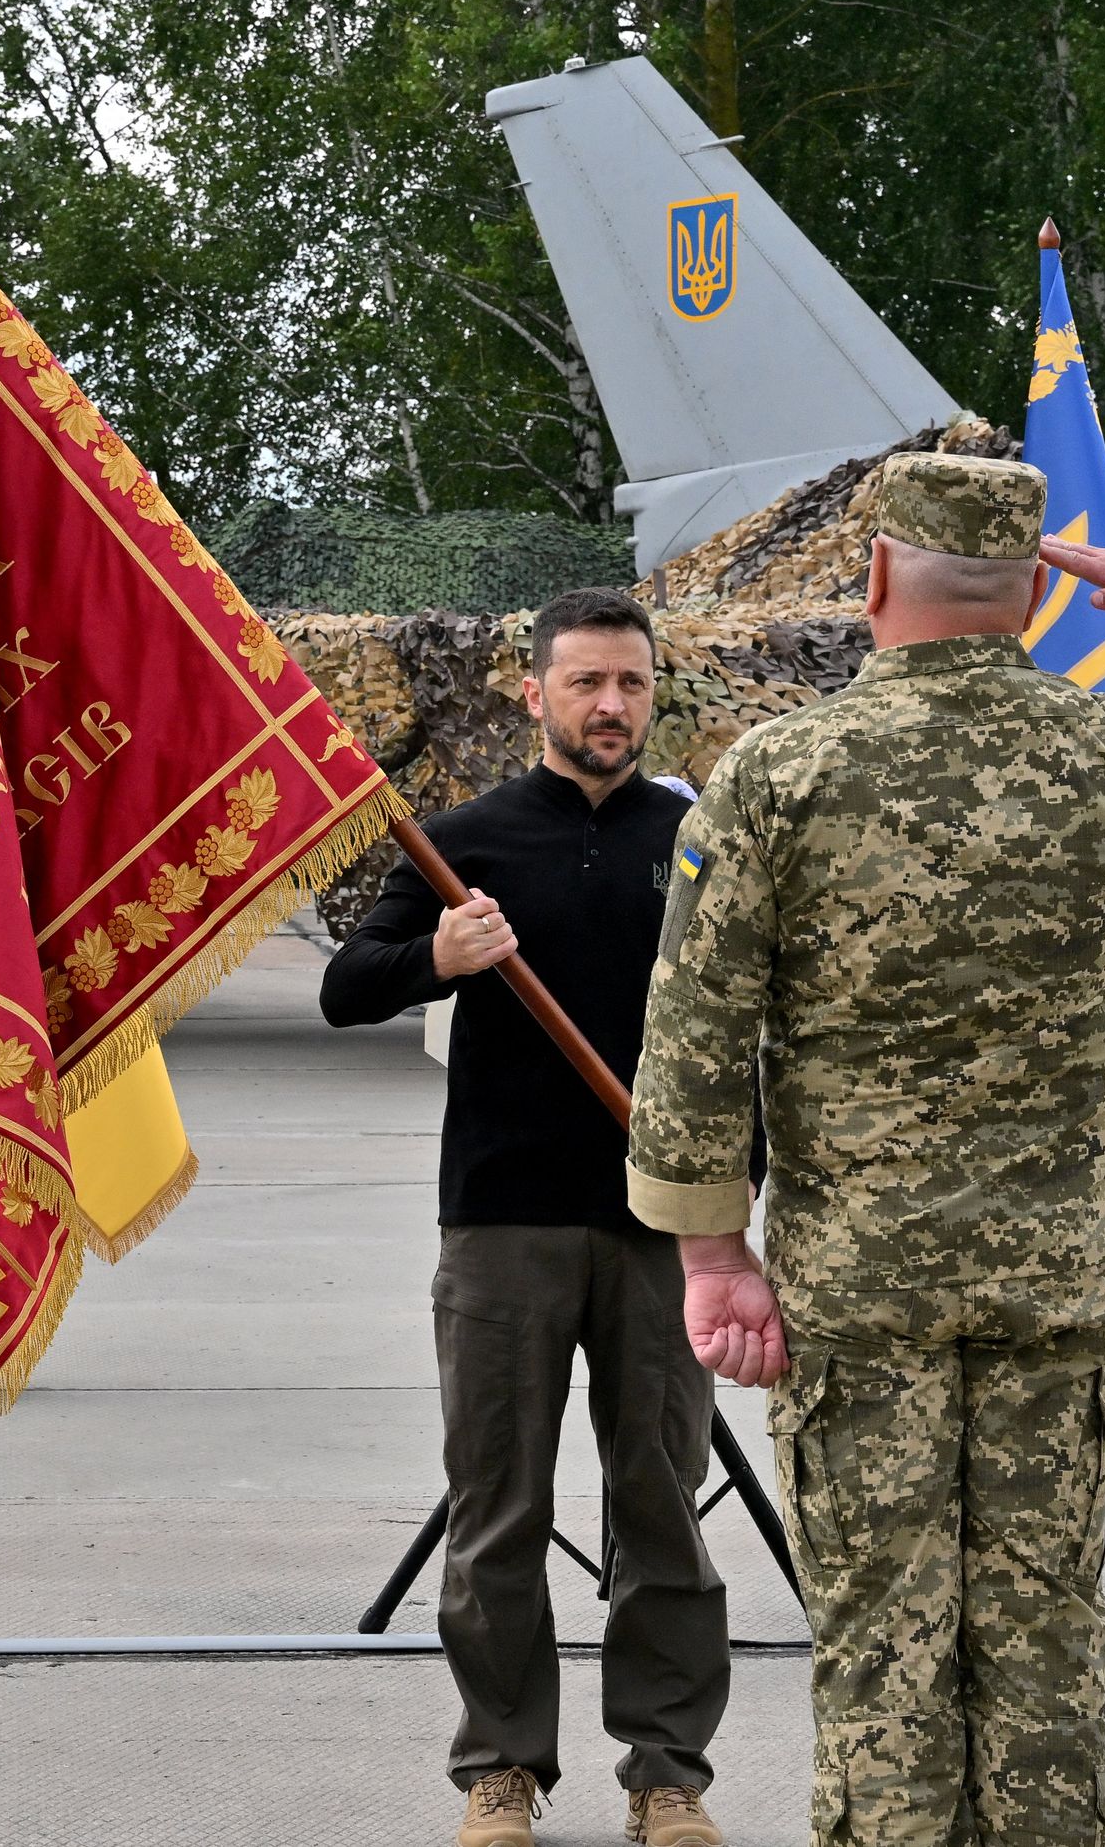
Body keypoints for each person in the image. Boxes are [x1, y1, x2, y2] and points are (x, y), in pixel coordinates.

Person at [624, 457, 1105, 1847]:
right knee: (1042, 1639)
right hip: (1056, 1289)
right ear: (1036, 592)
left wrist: (715, 1249)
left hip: (858, 1294)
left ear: (871, 581)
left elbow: (695, 1028)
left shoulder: (778, 773)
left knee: (883, 1647)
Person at [322, 586, 734, 1847]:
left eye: (632, 684)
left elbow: (762, 1027)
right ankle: (501, 1769)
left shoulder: (706, 841)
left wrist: (738, 1198)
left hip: (663, 1223)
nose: (611, 706)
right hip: (503, 1222)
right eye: (586, 683)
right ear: (534, 694)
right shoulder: (466, 842)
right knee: (495, 1504)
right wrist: (433, 957)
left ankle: (666, 1773)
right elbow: (346, 988)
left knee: (660, 1501)